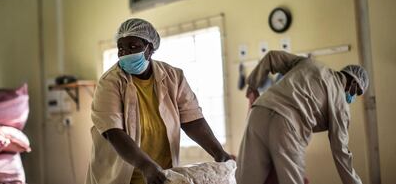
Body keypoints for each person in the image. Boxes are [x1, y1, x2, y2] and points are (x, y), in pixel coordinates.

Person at [86, 18, 231, 184]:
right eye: (121, 49)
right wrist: (145, 165)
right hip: (122, 176)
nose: (126, 53)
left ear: (150, 48)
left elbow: (193, 120)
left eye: (133, 47)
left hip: (161, 174)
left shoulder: (173, 76)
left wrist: (218, 152)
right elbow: (113, 132)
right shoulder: (109, 82)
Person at [236, 50, 368, 184]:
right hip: (287, 126)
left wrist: (253, 85)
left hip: (259, 112)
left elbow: (272, 56)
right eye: (356, 93)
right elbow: (341, 151)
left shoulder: (310, 64)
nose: (352, 97)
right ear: (353, 83)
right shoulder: (340, 102)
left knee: (247, 179)